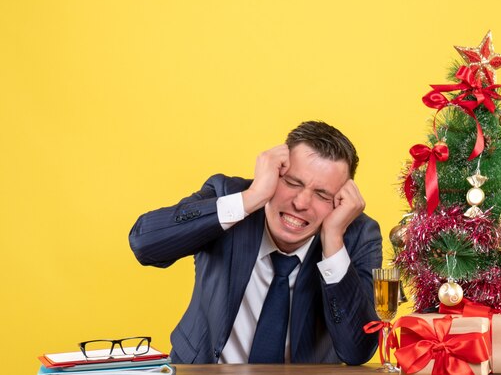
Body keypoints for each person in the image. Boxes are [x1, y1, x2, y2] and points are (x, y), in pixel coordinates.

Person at [129, 120, 382, 365]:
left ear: (340, 202)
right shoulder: (228, 195)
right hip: (203, 369)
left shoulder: (357, 233)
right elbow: (145, 244)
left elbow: (357, 351)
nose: (301, 203)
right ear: (274, 173)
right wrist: (252, 198)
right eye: (292, 183)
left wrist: (333, 240)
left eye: (322, 195)